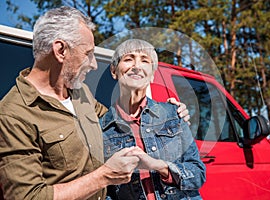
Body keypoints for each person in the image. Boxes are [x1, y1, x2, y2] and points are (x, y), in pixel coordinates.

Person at [0, 7, 189, 200]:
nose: (94, 64)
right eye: (88, 53)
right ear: (60, 50)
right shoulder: (13, 114)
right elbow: (26, 197)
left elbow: (118, 120)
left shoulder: (81, 93)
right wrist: (104, 176)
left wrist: (168, 113)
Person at [100, 39, 206, 200]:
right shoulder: (101, 128)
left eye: (144, 60)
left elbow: (198, 174)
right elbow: (104, 192)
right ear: (114, 71)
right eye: (128, 59)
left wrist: (157, 165)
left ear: (151, 75)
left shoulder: (173, 114)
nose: (136, 66)